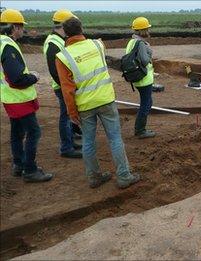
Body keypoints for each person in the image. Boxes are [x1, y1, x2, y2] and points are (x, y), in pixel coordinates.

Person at [55, 17, 140, 189]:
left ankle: (94, 177)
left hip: (85, 105)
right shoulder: (97, 45)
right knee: (115, 138)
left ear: (64, 33)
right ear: (82, 28)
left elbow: (67, 89)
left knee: (88, 141)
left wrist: (72, 113)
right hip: (106, 99)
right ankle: (124, 176)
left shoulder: (62, 57)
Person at [0, 9, 54, 182]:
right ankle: (29, 170)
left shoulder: (2, 43)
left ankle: (19, 164)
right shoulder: (8, 46)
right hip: (19, 98)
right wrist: (34, 77)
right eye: (21, 26)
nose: (23, 30)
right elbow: (17, 78)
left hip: (10, 98)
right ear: (14, 27)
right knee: (34, 132)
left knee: (17, 133)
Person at [43, 9, 82, 158]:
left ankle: (71, 141)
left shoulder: (58, 40)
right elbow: (55, 71)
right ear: (63, 26)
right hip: (62, 87)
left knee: (67, 117)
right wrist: (67, 87)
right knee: (65, 117)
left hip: (64, 86)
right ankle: (66, 148)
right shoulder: (53, 43)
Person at [125, 17, 156, 139]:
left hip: (137, 78)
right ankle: (140, 130)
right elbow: (144, 60)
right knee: (146, 104)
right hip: (144, 80)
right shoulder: (141, 44)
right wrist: (149, 54)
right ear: (143, 30)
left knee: (147, 102)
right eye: (147, 28)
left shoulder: (131, 42)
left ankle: (140, 128)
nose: (149, 30)